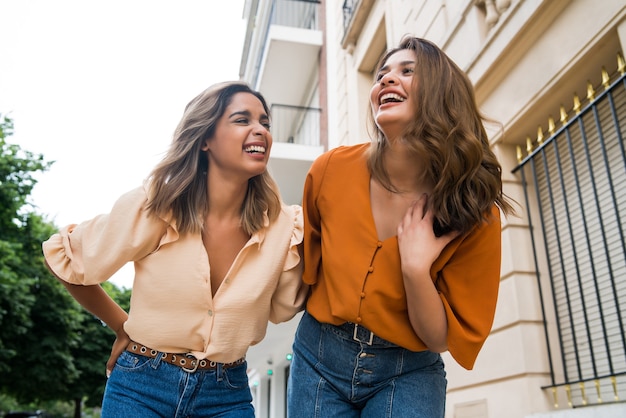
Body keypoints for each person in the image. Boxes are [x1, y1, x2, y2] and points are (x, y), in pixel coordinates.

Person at [42, 81, 308, 417]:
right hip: (140, 388)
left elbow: (284, 307)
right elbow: (64, 256)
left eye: (265, 123)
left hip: (226, 395)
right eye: (243, 120)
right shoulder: (158, 205)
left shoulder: (285, 226)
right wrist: (120, 324)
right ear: (205, 139)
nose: (260, 130)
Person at [287, 36, 515, 417]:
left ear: (442, 94)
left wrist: (415, 269)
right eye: (381, 75)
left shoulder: (474, 211)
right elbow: (305, 269)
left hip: (408, 370)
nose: (386, 81)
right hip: (317, 358)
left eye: (407, 72)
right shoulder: (329, 171)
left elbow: (438, 338)